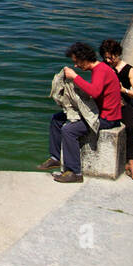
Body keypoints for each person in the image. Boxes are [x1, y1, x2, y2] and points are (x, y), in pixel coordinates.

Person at [38, 42, 122, 183]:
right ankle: (55, 158)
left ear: (84, 59)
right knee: (57, 119)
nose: (76, 66)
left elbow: (94, 92)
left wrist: (75, 77)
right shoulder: (99, 69)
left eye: (77, 62)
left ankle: (75, 172)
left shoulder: (100, 70)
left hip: (107, 118)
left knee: (69, 130)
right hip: (98, 112)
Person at [100, 38, 133, 182]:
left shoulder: (128, 70)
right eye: (105, 57)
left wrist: (123, 89)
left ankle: (132, 164)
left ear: (117, 54)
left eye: (110, 57)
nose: (107, 60)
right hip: (107, 103)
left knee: (132, 127)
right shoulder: (104, 67)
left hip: (124, 103)